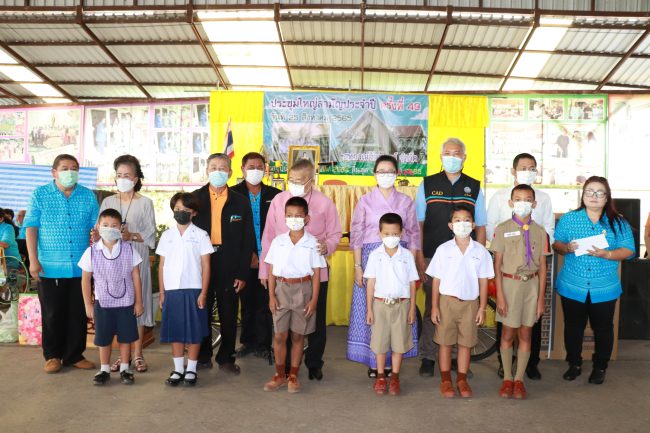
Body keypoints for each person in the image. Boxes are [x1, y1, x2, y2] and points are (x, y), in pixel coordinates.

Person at [260, 158, 342, 381]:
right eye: (291, 180)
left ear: (311, 180)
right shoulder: (278, 201)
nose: (294, 184)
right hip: (283, 275)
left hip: (315, 275)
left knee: (314, 319)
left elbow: (336, 233)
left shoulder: (325, 203)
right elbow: (267, 237)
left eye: (299, 181)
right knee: (283, 322)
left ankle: (314, 363)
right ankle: (284, 366)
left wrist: (329, 246)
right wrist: (263, 270)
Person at [415, 137, 487, 377]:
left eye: (457, 153)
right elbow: (419, 224)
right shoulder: (427, 184)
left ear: (464, 158)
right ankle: (428, 356)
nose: (452, 157)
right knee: (432, 309)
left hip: (467, 259)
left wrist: (480, 255)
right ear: (441, 156)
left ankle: (456, 357)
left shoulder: (475, 187)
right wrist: (420, 256)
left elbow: (482, 225)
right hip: (434, 258)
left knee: (463, 308)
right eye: (447, 153)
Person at [552, 176, 634, 385]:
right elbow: (557, 244)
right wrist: (566, 248)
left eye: (600, 193)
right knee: (573, 327)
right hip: (573, 285)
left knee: (604, 329)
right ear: (583, 195)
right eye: (590, 191)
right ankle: (574, 364)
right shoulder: (570, 219)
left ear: (607, 198)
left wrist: (608, 255)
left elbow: (629, 250)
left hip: (603, 287)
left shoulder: (618, 222)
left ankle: (600, 367)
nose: (594, 196)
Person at [24, 154, 99, 373]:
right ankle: (53, 356)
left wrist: (97, 234)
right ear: (54, 172)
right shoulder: (40, 195)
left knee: (77, 313)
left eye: (74, 168)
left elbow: (97, 227)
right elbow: (31, 229)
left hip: (80, 266)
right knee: (52, 313)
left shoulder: (87, 196)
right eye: (65, 168)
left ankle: (74, 354)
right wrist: (33, 261)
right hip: (49, 265)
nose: (70, 172)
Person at [347, 155, 421, 378]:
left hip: (400, 258)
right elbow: (357, 234)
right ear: (375, 174)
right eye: (381, 171)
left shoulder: (406, 202)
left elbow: (415, 234)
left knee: (397, 311)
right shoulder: (365, 201)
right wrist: (358, 265)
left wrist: (413, 263)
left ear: (397, 174)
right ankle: (375, 363)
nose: (386, 175)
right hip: (371, 257)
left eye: (390, 171)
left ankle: (393, 363)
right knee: (373, 310)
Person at [486, 152, 555, 380]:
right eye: (523, 167)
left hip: (533, 271)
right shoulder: (499, 198)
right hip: (508, 272)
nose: (528, 171)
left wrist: (539, 246)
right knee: (506, 327)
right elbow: (491, 228)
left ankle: (527, 367)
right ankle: (505, 368)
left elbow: (548, 228)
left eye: (532, 167)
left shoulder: (543, 198)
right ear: (513, 170)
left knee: (528, 327)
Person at [194, 153, 255, 374]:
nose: (218, 171)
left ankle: (226, 357)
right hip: (203, 262)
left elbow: (248, 239)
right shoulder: (195, 199)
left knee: (229, 312)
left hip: (229, 262)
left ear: (230, 172)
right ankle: (201, 355)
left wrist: (242, 273)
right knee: (202, 309)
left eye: (222, 168)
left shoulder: (240, 201)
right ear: (207, 171)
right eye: (213, 167)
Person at [426, 205, 493, 398]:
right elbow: (436, 280)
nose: (462, 224)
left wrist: (482, 307)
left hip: (470, 304)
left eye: (466, 220)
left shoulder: (480, 251)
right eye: (457, 220)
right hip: (447, 302)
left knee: (466, 343)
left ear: (473, 225)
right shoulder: (443, 249)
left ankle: (462, 379)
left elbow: (483, 281)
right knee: (444, 343)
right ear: (450, 225)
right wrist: (435, 307)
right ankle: (446, 379)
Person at [490, 185, 550, 399]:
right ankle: (507, 377)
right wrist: (500, 296)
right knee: (507, 333)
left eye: (527, 199)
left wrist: (541, 299)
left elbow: (543, 267)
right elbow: (496, 266)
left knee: (526, 333)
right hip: (509, 285)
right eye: (518, 199)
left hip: (531, 286)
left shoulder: (541, 232)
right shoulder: (502, 228)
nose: (522, 203)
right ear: (510, 203)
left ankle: (519, 379)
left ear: (534, 204)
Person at [99, 155, 156, 373]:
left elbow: (151, 237)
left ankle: (138, 353)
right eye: (119, 175)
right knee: (118, 306)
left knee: (137, 306)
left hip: (136, 259)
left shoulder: (145, 203)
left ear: (136, 178)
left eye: (127, 175)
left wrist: (131, 236)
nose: (122, 179)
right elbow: (101, 228)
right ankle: (122, 357)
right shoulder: (107, 202)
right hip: (112, 262)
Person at [263, 196, 327, 393]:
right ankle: (279, 374)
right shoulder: (278, 241)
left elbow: (317, 274)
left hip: (303, 289)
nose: (294, 219)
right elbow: (271, 270)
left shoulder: (313, 243)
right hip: (281, 289)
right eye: (289, 215)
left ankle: (293, 375)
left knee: (298, 335)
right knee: (280, 335)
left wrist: (314, 299)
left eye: (298, 216)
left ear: (306, 218)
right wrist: (271, 297)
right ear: (284, 217)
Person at [79, 209, 144, 386]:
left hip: (126, 302)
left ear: (121, 228)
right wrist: (88, 304)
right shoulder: (91, 252)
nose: (109, 228)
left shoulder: (129, 250)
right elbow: (85, 280)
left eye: (114, 225)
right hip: (103, 303)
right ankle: (104, 369)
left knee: (125, 337)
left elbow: (136, 277)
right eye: (105, 225)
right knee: (103, 337)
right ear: (98, 227)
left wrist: (139, 302)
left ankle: (125, 368)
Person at [157, 193, 213, 386]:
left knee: (194, 331)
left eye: (186, 210)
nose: (181, 213)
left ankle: (191, 369)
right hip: (172, 290)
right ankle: (178, 369)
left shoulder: (201, 235)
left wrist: (204, 293)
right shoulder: (167, 236)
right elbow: (161, 266)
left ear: (194, 213)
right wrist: (162, 292)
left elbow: (206, 266)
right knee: (176, 331)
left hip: (194, 289)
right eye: (178, 210)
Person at [231, 152, 281, 359]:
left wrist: (266, 255)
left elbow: (279, 227)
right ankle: (247, 342)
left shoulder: (275, 194)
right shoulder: (233, 193)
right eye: (251, 167)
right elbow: (232, 228)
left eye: (259, 166)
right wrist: (249, 253)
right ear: (242, 169)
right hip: (244, 257)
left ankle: (263, 344)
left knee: (265, 302)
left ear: (265, 169)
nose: (255, 170)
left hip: (269, 258)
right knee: (246, 301)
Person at [364, 213, 419, 396]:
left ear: (401, 233)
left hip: (402, 305)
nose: (391, 237)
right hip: (380, 305)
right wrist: (369, 309)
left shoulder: (407, 256)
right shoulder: (374, 255)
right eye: (386, 234)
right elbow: (370, 283)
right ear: (379, 234)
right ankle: (381, 376)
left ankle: (394, 377)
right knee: (379, 343)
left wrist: (412, 308)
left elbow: (412, 283)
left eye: (394, 233)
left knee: (399, 343)